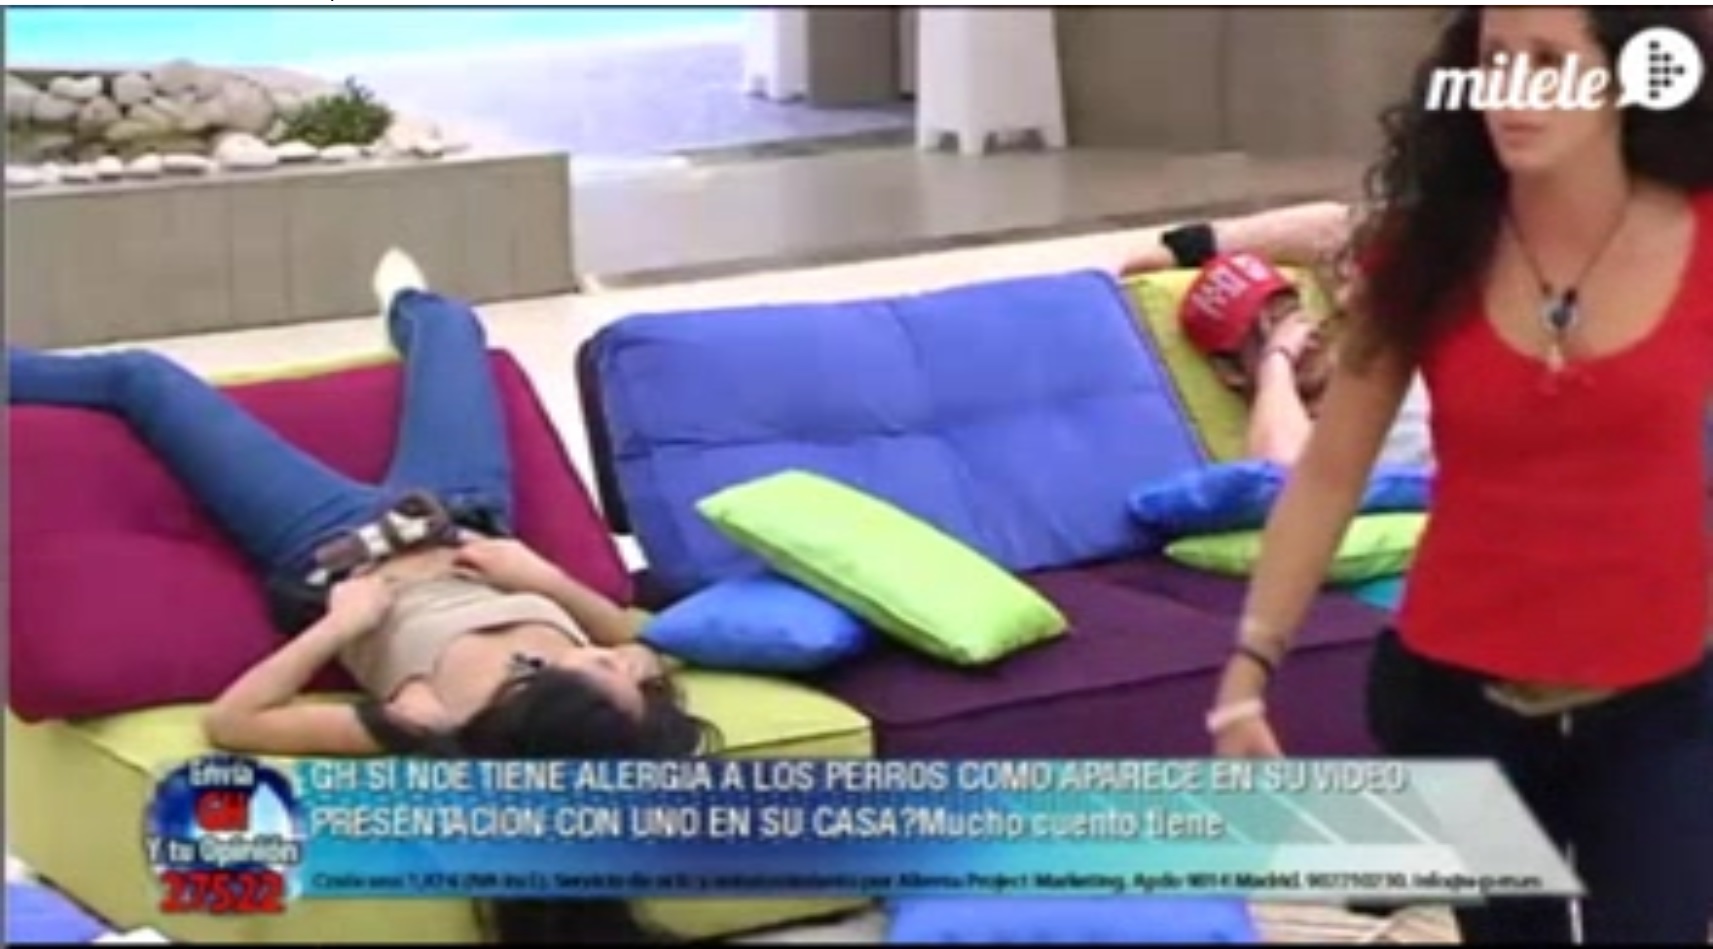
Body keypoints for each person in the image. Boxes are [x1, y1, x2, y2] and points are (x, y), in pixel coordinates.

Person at [8, 250, 715, 944]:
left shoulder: (430, 718)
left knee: (141, 377)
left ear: (543, 715)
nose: (620, 662)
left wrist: (340, 624)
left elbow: (234, 720)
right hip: (464, 510)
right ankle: (406, 307)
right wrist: (541, 576)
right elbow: (633, 632)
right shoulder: (614, 698)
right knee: (452, 326)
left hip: (333, 539)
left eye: (602, 669)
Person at [1206, 6, 1713, 944]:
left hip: (1658, 702)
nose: (1512, 89)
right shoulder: (1426, 252)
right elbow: (1327, 475)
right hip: (1460, 702)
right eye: (1493, 60)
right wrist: (1248, 667)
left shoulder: (1703, 236)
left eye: (1550, 61)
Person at [1125, 208, 1435, 469]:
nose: (1296, 332)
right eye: (1266, 328)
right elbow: (1281, 480)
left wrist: (1183, 248)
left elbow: (1341, 228)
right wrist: (1278, 360)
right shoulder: (1295, 433)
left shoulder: (1381, 340)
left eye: (1288, 309)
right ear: (1231, 371)